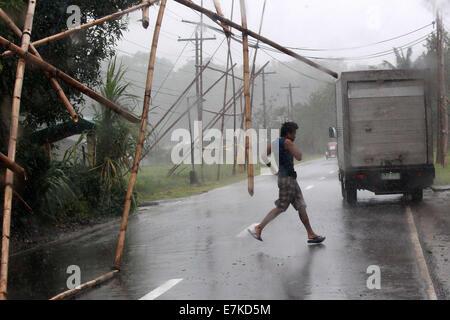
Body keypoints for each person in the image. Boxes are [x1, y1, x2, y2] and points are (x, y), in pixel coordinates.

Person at [248, 122, 325, 244]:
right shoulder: (287, 142)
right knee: (281, 207)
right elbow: (299, 156)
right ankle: (258, 228)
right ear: (288, 133)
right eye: (294, 133)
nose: (295, 136)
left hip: (288, 179)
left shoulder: (274, 143)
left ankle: (311, 234)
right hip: (288, 181)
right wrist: (293, 149)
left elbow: (263, 156)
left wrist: (273, 168)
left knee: (301, 206)